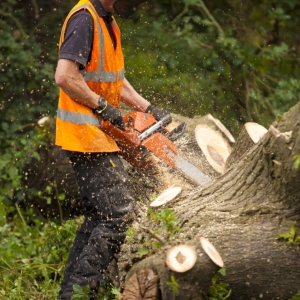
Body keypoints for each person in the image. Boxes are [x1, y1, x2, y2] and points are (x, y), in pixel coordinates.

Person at [54, 0, 172, 299]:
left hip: (98, 134)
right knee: (117, 214)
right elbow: (65, 76)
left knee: (99, 218)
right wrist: (103, 107)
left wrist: (147, 108)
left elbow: (114, 80)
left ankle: (71, 294)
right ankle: (83, 296)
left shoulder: (107, 20)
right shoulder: (84, 18)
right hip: (85, 135)